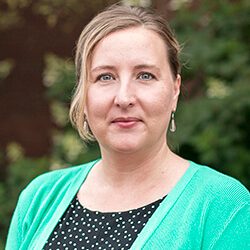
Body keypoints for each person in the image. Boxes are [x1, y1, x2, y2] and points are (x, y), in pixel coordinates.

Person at [6, 4, 250, 250]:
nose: (124, 98)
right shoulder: (39, 198)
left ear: (174, 90)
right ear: (84, 93)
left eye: (145, 75)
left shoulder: (223, 205)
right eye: (105, 77)